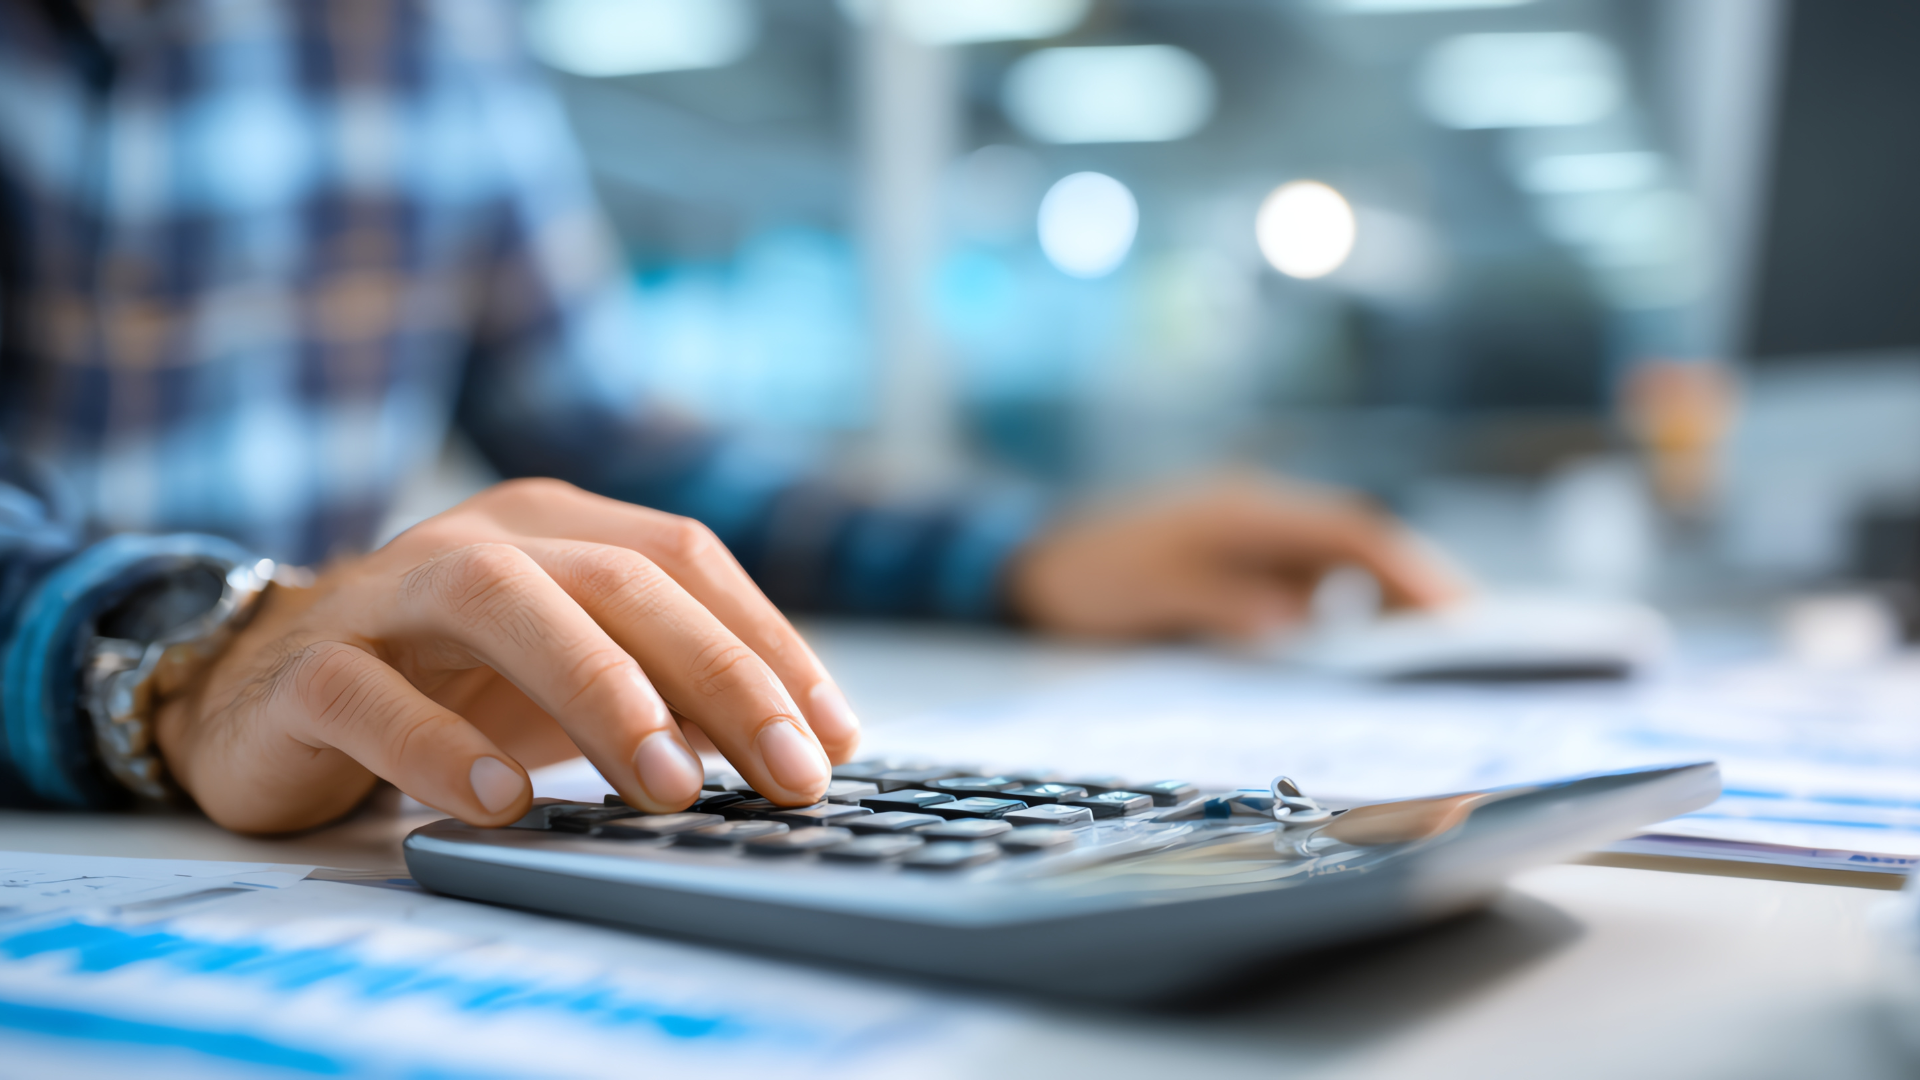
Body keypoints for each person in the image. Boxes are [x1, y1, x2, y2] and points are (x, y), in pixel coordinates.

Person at [0, 0, 1455, 834]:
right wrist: (176, 657)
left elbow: (609, 446)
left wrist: (1024, 556)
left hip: (305, 828)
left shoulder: (431, 35)